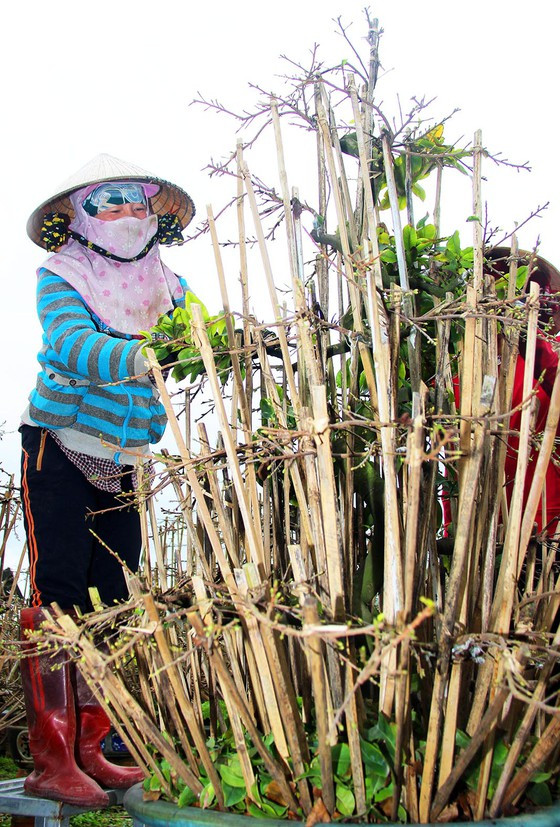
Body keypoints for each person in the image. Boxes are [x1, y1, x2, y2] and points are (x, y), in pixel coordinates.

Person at [18, 153, 195, 806]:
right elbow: (70, 344)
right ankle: (52, 757)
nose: (125, 212)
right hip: (60, 445)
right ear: (79, 217)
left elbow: (192, 341)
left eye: (135, 201)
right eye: (107, 202)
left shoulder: (170, 287)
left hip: (125, 456)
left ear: (153, 213)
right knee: (59, 591)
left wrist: (219, 343)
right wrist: (145, 353)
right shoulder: (61, 276)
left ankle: (93, 746)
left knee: (113, 596)